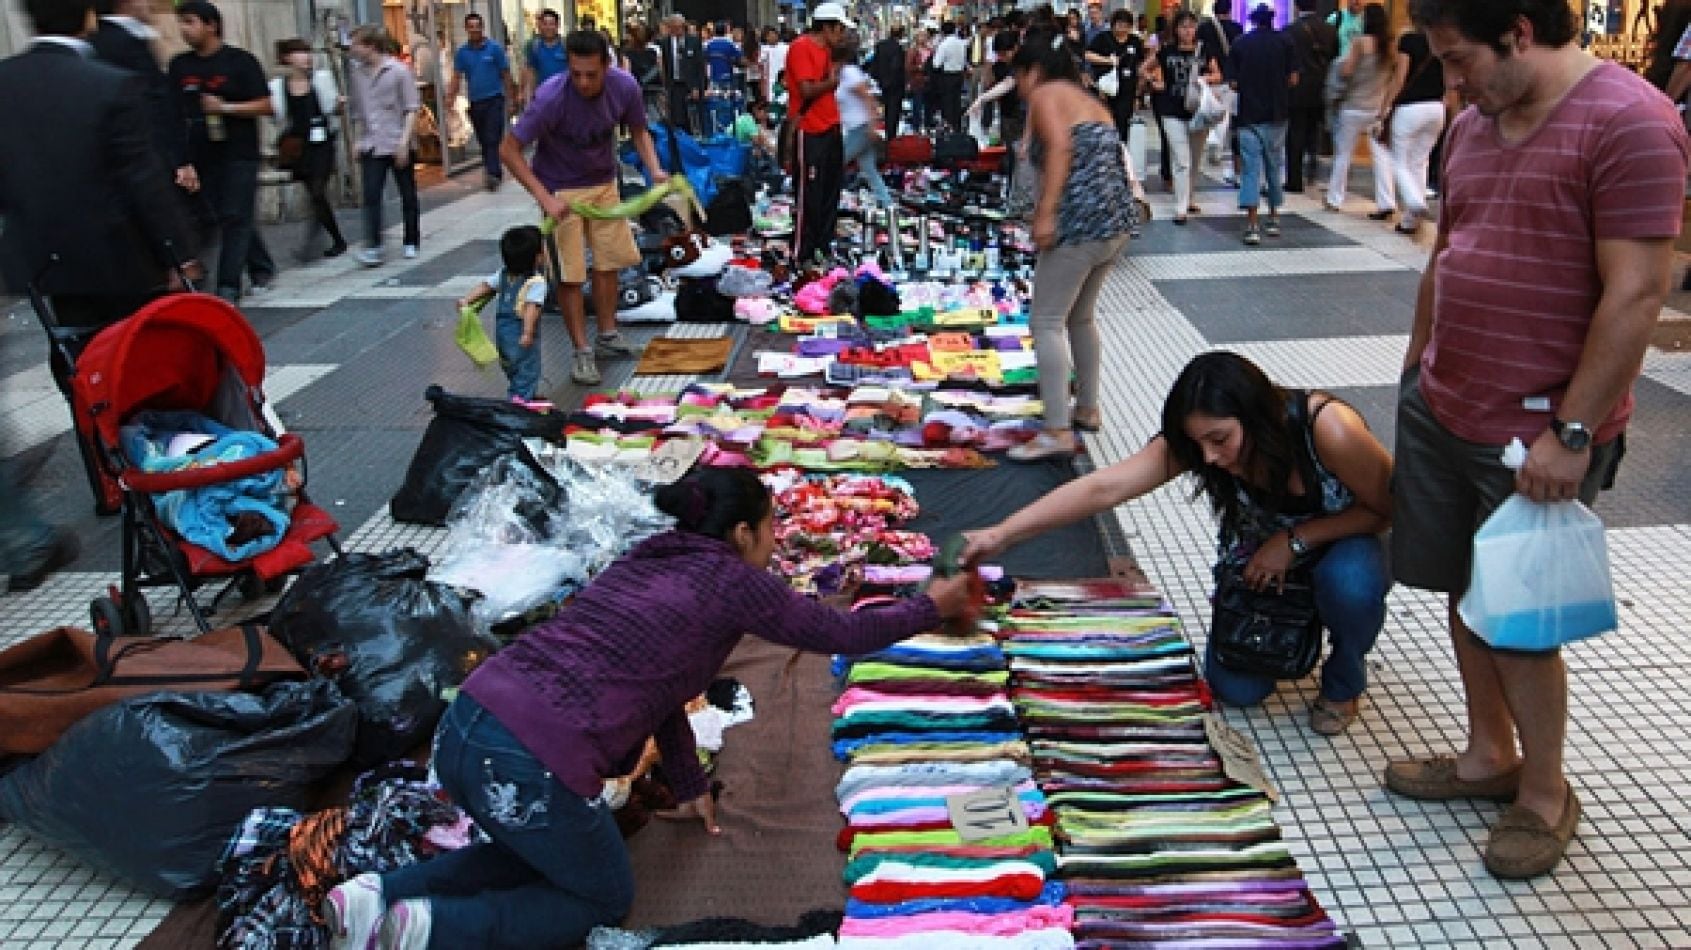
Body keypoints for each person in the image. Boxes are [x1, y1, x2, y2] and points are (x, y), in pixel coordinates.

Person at [321, 468, 973, 950]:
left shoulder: (646, 557)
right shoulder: (734, 581)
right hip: (526, 759)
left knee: (540, 853)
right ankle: (432, 931)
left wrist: (691, 786)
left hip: (466, 727)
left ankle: (379, 897)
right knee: (600, 896)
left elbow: (662, 690)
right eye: (772, 525)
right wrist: (929, 607)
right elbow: (841, 634)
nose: (775, 537)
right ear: (743, 532)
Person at [1387, 0, 1687, 880]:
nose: (1449, 83)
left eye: (1457, 60)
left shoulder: (1630, 121)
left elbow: (1634, 293)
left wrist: (1572, 432)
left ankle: (1545, 792)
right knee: (1455, 586)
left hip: (1539, 433)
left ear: (1518, 32)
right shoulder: (1476, 121)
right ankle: (1488, 754)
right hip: (1445, 403)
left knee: (1520, 619)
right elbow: (1450, 252)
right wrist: (1415, 367)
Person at [967, 351, 1394, 734]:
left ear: (1256, 416)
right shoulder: (1198, 444)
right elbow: (1104, 488)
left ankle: (1344, 677)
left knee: (1351, 585)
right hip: (1262, 562)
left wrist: (1294, 540)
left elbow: (1390, 509)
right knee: (1238, 690)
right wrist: (1002, 533)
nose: (1208, 458)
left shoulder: (1329, 429)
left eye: (1220, 439)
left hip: (1346, 540)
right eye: (1197, 444)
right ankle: (1304, 616)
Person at [1, 0, 195, 517]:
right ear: (88, 16)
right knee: (133, 364)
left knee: (76, 365)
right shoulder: (109, 84)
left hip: (47, 264)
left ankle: (106, 483)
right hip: (120, 258)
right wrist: (176, 254)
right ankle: (148, 468)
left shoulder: (6, 83)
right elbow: (142, 182)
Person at [500, 29, 661, 387]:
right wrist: (545, 198)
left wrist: (655, 169)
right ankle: (581, 350)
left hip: (604, 183)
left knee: (608, 263)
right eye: (576, 74)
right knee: (570, 274)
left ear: (608, 66)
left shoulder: (625, 87)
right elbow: (508, 150)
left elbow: (639, 130)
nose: (583, 82)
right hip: (561, 189)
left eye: (591, 74)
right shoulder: (551, 98)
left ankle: (607, 335)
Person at [1009, 30, 1138, 462]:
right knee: (1080, 318)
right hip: (1115, 222)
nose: (1019, 87)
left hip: (1079, 223)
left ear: (1033, 71)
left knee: (1045, 320)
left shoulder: (1047, 95)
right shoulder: (1088, 99)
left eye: (1018, 75)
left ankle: (1057, 430)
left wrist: (1046, 213)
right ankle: (1088, 407)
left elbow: (1061, 150)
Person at [168, 0, 276, 303]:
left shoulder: (240, 62)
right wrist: (182, 160)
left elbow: (266, 105)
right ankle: (262, 265)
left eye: (190, 22)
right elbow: (172, 114)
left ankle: (228, 286)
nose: (184, 29)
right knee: (226, 215)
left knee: (235, 216)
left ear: (211, 25)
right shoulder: (180, 66)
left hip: (239, 152)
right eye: (182, 23)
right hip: (202, 154)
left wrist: (225, 107)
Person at [89, 0, 196, 224]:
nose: (149, 5)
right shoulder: (127, 42)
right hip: (144, 159)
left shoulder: (95, 40)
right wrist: (179, 160)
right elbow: (157, 104)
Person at [347, 26, 420, 267]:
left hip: (397, 138)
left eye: (356, 43)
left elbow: (411, 108)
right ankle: (374, 245)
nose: (352, 48)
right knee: (371, 195)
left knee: (407, 193)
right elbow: (359, 112)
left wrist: (404, 143)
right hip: (372, 142)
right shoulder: (357, 75)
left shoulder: (399, 72)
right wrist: (357, 139)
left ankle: (411, 240)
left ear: (370, 46)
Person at [787, 3, 852, 265]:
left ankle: (823, 246)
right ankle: (802, 252)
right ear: (827, 27)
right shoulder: (801, 47)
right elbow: (806, 90)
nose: (842, 34)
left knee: (830, 192)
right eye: (840, 29)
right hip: (810, 129)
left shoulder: (827, 51)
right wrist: (833, 82)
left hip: (831, 128)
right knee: (809, 196)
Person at [1141, 12, 1221, 225]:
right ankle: (1181, 207)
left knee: (1195, 160)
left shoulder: (1204, 50)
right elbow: (1143, 69)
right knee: (1181, 160)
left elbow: (1218, 74)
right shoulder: (1166, 50)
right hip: (1170, 110)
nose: (1188, 31)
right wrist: (1154, 81)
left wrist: (1205, 79)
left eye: (1192, 27)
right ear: (1176, 29)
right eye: (1184, 27)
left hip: (1197, 112)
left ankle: (1189, 197)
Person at [270, 39, 346, 260]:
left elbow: (332, 108)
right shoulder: (278, 86)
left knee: (317, 191)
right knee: (315, 197)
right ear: (286, 58)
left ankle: (328, 241)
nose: (306, 57)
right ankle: (326, 240)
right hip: (298, 148)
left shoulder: (321, 80)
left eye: (307, 52)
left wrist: (339, 105)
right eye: (299, 52)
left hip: (322, 144)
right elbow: (277, 118)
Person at [1229, 4, 1295, 247]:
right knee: (1274, 166)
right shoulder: (1285, 42)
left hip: (1248, 115)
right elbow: (1293, 78)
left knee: (1250, 169)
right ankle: (1274, 218)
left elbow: (1233, 83)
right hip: (1277, 114)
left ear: (1253, 21)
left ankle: (1252, 224)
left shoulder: (1240, 44)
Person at [458, 226, 548, 404]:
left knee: (514, 369)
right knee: (528, 370)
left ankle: (522, 393)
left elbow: (485, 287)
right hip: (521, 335)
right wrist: (528, 332)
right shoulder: (536, 282)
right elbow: (532, 308)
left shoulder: (503, 274)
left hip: (503, 336)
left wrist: (466, 300)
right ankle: (518, 403)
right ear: (538, 257)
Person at [1324, 3, 1394, 216]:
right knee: (1381, 156)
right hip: (1377, 107)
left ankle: (1335, 198)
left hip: (1354, 106)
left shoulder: (1360, 43)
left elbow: (1346, 71)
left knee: (1343, 154)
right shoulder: (1391, 46)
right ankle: (1386, 201)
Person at [1375, 23, 1445, 234]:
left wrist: (1385, 107)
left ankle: (1415, 202)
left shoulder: (1409, 41)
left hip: (1410, 108)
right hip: (1436, 107)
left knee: (1399, 161)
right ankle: (1409, 221)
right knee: (1420, 161)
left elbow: (1399, 78)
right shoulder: (1441, 39)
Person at [448, 13, 515, 191]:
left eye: (477, 25)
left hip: (494, 99)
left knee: (492, 137)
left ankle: (493, 173)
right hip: (476, 102)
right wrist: (450, 98)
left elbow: (506, 74)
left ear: (482, 27)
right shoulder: (462, 53)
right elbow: (456, 77)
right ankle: (492, 169)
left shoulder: (494, 49)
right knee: (484, 140)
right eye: (471, 26)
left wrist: (511, 99)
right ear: (466, 29)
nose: (475, 29)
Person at [1285, 0, 1337, 193]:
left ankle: (1295, 179)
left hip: (1297, 89)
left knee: (1295, 134)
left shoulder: (1291, 30)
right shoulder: (1330, 30)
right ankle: (1313, 169)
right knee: (1315, 130)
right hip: (1321, 87)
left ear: (1297, 7)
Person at [836, 40, 892, 206]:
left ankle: (829, 200)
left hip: (860, 128)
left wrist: (873, 124)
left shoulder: (849, 73)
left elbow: (868, 97)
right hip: (858, 127)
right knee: (869, 168)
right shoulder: (841, 74)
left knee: (835, 162)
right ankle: (886, 202)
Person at [1085, 10, 1146, 141]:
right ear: (1113, 24)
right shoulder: (1103, 38)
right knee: (1106, 120)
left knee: (1123, 122)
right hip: (1105, 88)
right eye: (1119, 25)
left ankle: (1121, 149)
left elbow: (1141, 62)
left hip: (1127, 88)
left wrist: (1139, 92)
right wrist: (1108, 61)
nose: (1123, 29)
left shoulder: (1135, 41)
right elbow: (1088, 55)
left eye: (1126, 26)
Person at [659, 14, 706, 133]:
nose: (674, 30)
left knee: (691, 118)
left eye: (677, 27)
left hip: (690, 85)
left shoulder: (694, 41)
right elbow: (664, 65)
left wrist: (698, 86)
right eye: (672, 27)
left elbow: (699, 66)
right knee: (675, 118)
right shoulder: (665, 43)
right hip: (674, 85)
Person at [930, 21, 969, 130]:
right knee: (957, 102)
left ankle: (949, 127)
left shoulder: (944, 45)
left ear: (943, 32)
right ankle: (957, 127)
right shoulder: (961, 43)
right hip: (959, 75)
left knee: (947, 103)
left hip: (948, 76)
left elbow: (936, 64)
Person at [522, 9, 566, 107]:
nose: (548, 27)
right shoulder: (534, 46)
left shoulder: (566, 45)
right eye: (545, 24)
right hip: (542, 97)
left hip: (564, 96)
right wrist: (528, 98)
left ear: (557, 25)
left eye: (551, 24)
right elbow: (530, 73)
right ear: (540, 26)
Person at [870, 25, 907, 136]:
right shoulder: (898, 48)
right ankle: (891, 136)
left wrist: (878, 79)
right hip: (895, 85)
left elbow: (874, 65)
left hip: (883, 83)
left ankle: (888, 134)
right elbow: (897, 67)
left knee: (886, 110)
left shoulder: (880, 46)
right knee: (893, 111)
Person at [622, 22, 663, 122]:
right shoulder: (653, 53)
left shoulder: (627, 54)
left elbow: (627, 75)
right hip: (655, 90)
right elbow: (661, 71)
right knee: (656, 121)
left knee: (639, 121)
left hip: (637, 91)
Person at [906, 27, 934, 131]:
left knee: (928, 105)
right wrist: (919, 67)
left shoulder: (930, 50)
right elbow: (908, 67)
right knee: (917, 105)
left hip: (928, 81)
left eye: (925, 35)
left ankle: (927, 125)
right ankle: (916, 127)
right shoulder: (913, 51)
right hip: (917, 81)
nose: (923, 38)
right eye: (921, 35)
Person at [758, 25, 788, 103]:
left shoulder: (786, 47)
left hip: (783, 80)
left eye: (773, 34)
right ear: (765, 38)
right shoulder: (764, 49)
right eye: (769, 36)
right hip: (769, 82)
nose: (772, 37)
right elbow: (761, 67)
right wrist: (762, 86)